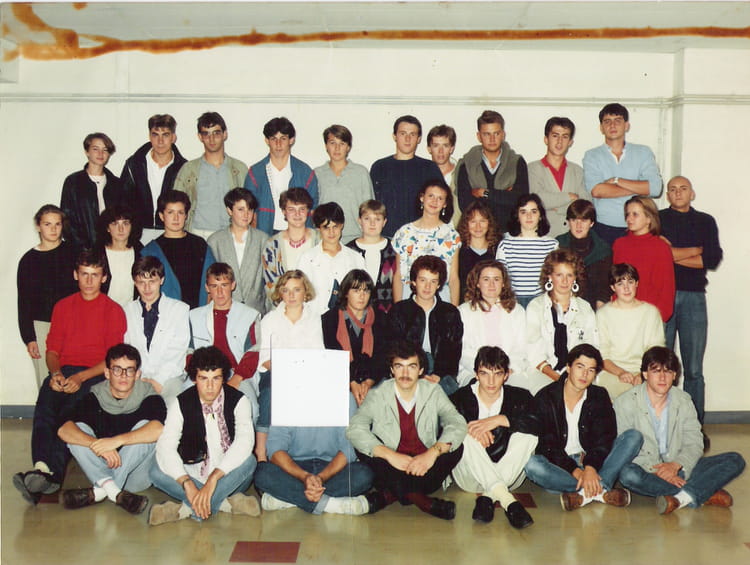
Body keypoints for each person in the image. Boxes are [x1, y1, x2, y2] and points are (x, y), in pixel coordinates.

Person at [13, 250, 126, 504]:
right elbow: (52, 350)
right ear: (76, 275)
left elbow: (112, 360)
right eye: (84, 274)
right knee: (45, 405)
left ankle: (50, 474)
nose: (89, 280)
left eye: (95, 275)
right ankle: (41, 467)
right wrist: (55, 373)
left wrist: (81, 378)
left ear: (104, 278)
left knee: (68, 412)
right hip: (64, 372)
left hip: (96, 376)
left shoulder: (113, 310)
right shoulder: (63, 306)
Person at [614, 347, 745, 515]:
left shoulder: (683, 400)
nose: (662, 377)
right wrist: (661, 471)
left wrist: (676, 465)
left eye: (668, 371)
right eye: (656, 371)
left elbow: (694, 441)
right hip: (647, 468)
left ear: (675, 375)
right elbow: (623, 448)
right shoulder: (624, 403)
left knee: (735, 459)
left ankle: (683, 497)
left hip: (680, 467)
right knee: (628, 475)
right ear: (645, 374)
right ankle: (701, 491)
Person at [347, 341, 467, 519]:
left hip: (424, 467)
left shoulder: (433, 391)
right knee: (364, 448)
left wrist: (432, 453)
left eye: (411, 367)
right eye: (399, 366)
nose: (405, 374)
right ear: (392, 370)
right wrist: (390, 455)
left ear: (421, 370)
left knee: (456, 447)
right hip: (391, 466)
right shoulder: (378, 394)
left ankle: (388, 495)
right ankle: (425, 503)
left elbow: (456, 422)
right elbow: (355, 428)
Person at [149, 346, 259, 525]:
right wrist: (187, 483)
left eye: (216, 378)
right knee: (155, 469)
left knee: (250, 461)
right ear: (194, 379)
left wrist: (214, 478)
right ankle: (224, 503)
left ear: (224, 378)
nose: (210, 386)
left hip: (227, 476)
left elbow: (244, 442)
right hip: (192, 472)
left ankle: (185, 509)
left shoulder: (240, 401)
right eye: (203, 378)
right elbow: (166, 446)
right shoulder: (181, 402)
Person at [524, 344, 641, 511]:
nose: (585, 374)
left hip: (594, 462)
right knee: (532, 465)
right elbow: (547, 445)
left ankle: (582, 494)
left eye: (591, 370)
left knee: (633, 437)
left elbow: (605, 438)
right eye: (580, 367)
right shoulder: (546, 396)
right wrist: (576, 471)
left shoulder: (599, 395)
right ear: (568, 367)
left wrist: (590, 468)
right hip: (561, 467)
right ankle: (601, 490)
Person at [57, 343, 166, 515]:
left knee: (145, 428)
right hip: (103, 466)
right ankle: (114, 492)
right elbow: (64, 430)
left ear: (137, 374)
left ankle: (100, 491)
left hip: (135, 478)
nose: (123, 376)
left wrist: (116, 442)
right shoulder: (95, 396)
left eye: (129, 370)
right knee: (78, 430)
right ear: (107, 373)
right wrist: (97, 444)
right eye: (117, 370)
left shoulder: (149, 395)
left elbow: (158, 430)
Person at [659, 175, 723, 434]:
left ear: (692, 194)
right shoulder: (658, 220)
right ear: (667, 195)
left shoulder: (705, 221)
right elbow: (660, 255)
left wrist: (673, 254)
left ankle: (694, 428)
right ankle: (664, 425)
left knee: (694, 368)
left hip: (694, 297)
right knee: (662, 366)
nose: (678, 193)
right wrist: (696, 250)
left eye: (683, 188)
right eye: (673, 189)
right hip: (663, 296)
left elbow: (712, 259)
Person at [450, 346, 539, 529]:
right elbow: (442, 430)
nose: (491, 381)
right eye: (484, 374)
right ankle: (507, 501)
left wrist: (500, 419)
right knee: (463, 434)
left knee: (529, 436)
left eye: (497, 374)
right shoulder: (459, 398)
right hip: (470, 477)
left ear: (506, 375)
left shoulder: (520, 396)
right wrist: (471, 430)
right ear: (476, 374)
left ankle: (488, 497)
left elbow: (540, 425)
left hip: (509, 475)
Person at [255, 270, 324, 462]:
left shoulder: (315, 319)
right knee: (269, 393)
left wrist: (300, 372)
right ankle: (261, 451)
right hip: (275, 371)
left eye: (297, 290)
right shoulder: (269, 319)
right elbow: (264, 357)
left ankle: (305, 452)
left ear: (305, 292)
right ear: (280, 293)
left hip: (306, 372)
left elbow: (318, 353)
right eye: (286, 290)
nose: (291, 295)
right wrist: (286, 371)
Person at [254, 414, 374, 515]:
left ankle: (290, 499)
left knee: (364, 473)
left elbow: (348, 449)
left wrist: (321, 477)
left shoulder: (344, 399)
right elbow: (275, 450)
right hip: (295, 469)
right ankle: (331, 504)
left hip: (332, 469)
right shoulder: (287, 400)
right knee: (263, 472)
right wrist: (304, 476)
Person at [583, 103, 662, 246]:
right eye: (607, 121)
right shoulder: (592, 155)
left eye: (618, 121)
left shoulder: (643, 152)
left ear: (626, 126)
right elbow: (597, 191)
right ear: (601, 128)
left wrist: (617, 180)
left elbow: (656, 188)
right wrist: (640, 188)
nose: (612, 125)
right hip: (603, 227)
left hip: (639, 226)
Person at [17, 204, 77, 388]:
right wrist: (29, 337)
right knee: (47, 381)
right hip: (42, 326)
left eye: (57, 224)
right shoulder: (28, 260)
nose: (53, 229)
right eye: (47, 224)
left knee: (72, 378)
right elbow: (24, 302)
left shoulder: (73, 253)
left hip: (71, 324)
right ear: (38, 226)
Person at [387, 255, 463, 396]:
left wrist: (438, 375)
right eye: (423, 280)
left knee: (450, 398)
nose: (428, 287)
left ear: (439, 285)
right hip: (407, 368)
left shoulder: (450, 313)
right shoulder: (399, 311)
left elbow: (453, 351)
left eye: (433, 281)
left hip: (440, 371)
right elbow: (393, 350)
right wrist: (417, 374)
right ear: (414, 282)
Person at [526, 248, 599, 393]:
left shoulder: (585, 308)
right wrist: (559, 379)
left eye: (569, 275)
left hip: (578, 374)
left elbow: (592, 346)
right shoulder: (536, 307)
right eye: (559, 275)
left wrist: (574, 376)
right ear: (549, 276)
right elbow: (533, 351)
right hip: (543, 373)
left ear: (575, 278)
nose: (565, 281)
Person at [189, 262, 261, 405]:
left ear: (233, 285)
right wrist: (196, 377)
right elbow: (189, 351)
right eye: (214, 286)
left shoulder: (249, 315)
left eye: (224, 285)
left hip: (238, 374)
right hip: (203, 374)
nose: (219, 292)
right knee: (186, 403)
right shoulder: (194, 316)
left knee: (249, 405)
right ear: (207, 288)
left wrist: (236, 378)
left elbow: (253, 352)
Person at [124, 256, 190, 403]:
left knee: (173, 405)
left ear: (162, 280)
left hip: (169, 378)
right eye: (141, 282)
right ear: (134, 282)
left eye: (152, 281)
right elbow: (127, 349)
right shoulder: (126, 311)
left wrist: (158, 380)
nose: (147, 288)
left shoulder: (180, 309)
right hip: (137, 377)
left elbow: (177, 351)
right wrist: (140, 378)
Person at [596, 263, 665, 400]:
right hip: (612, 372)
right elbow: (602, 356)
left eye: (630, 282)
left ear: (637, 283)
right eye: (620, 284)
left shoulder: (650, 312)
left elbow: (656, 352)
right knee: (630, 395)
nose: (626, 288)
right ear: (613, 287)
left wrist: (642, 374)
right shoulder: (603, 314)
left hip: (645, 371)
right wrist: (621, 373)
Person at [173, 112, 248, 237]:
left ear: (225, 134)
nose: (211, 139)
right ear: (200, 137)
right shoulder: (188, 170)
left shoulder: (240, 169)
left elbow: (249, 206)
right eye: (206, 134)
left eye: (216, 133)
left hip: (231, 234)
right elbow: (176, 204)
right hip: (198, 234)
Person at [321, 270, 388, 406]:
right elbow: (333, 356)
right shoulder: (330, 319)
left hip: (374, 379)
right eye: (356, 290)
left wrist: (368, 382)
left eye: (366, 291)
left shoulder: (381, 318)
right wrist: (352, 383)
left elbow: (383, 356)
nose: (362, 296)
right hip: (341, 379)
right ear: (346, 292)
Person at [458, 261, 528, 389]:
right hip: (474, 371)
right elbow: (462, 350)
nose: (491, 284)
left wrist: (506, 369)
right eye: (486, 279)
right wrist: (485, 370)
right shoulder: (463, 311)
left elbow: (521, 347)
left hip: (509, 372)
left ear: (503, 283)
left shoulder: (517, 311)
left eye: (496, 279)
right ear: (477, 283)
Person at [456, 110, 529, 232]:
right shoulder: (466, 164)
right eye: (486, 134)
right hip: (477, 233)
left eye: (496, 133)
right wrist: (504, 195)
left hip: (510, 232)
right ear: (479, 136)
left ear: (503, 134)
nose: (492, 139)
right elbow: (465, 204)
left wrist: (484, 193)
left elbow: (521, 201)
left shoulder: (516, 162)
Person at [370, 115, 442, 238]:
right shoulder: (380, 167)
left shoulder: (429, 168)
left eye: (412, 134)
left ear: (419, 139)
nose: (407, 139)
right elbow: (371, 206)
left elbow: (442, 202)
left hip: (421, 237)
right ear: (394, 136)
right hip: (387, 237)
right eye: (403, 133)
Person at [141, 190, 216, 308]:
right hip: (166, 313)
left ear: (186, 215)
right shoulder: (150, 251)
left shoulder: (199, 245)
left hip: (197, 311)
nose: (176, 218)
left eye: (180, 212)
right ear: (161, 216)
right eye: (170, 212)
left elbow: (213, 280)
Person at [392, 178, 461, 304]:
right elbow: (398, 275)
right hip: (409, 296)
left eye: (440, 198)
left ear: (445, 204)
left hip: (441, 297)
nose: (435, 201)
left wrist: (454, 309)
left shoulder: (452, 235)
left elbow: (453, 278)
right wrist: (398, 308)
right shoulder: (404, 232)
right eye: (431, 196)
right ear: (422, 198)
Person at [245, 116, 319, 235]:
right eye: (273, 138)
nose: (278, 144)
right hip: (265, 234)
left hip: (298, 234)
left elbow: (313, 208)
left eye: (283, 138)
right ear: (267, 140)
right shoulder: (255, 172)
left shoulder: (305, 172)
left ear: (291, 140)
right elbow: (248, 209)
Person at [119, 114, 187, 241]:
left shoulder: (184, 168)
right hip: (139, 233)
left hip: (172, 232)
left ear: (173, 137)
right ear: (150, 136)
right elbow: (123, 202)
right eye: (155, 135)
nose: (160, 141)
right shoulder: (133, 165)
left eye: (165, 135)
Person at [612, 195, 675, 322]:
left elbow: (666, 290)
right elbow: (614, 281)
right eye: (627, 214)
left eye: (635, 214)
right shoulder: (619, 244)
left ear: (648, 219)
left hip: (649, 319)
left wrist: (656, 319)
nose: (629, 218)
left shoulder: (661, 248)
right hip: (622, 316)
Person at [296, 201, 365, 315]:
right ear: (319, 229)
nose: (331, 232)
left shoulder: (356, 259)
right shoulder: (307, 259)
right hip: (315, 320)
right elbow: (300, 295)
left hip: (348, 320)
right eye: (326, 228)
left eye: (335, 227)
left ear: (342, 225)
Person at [207, 187, 268, 314]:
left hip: (255, 309)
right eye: (240, 209)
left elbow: (269, 281)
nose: (246, 215)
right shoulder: (215, 241)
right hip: (224, 308)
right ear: (229, 210)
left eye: (250, 209)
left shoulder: (263, 239)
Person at [61, 132, 123, 251]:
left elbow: (124, 217)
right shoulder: (73, 182)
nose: (100, 154)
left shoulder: (116, 184)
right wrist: (84, 248)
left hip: (112, 247)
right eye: (95, 149)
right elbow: (67, 220)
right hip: (82, 250)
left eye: (105, 150)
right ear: (87, 152)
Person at [528, 117, 588, 237]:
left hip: (572, 237)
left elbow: (585, 206)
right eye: (555, 136)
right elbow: (537, 200)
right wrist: (569, 197)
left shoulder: (577, 171)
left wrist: (557, 208)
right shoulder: (532, 169)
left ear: (570, 142)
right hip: (543, 236)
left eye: (565, 137)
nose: (559, 141)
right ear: (546, 139)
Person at [496, 193, 558, 307]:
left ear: (540, 215)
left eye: (533, 211)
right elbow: (500, 279)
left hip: (542, 303)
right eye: (523, 212)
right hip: (513, 303)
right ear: (517, 216)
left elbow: (554, 278)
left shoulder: (552, 245)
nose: (529, 216)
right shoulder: (505, 244)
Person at [314, 124, 374, 243]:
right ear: (326, 146)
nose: (337, 148)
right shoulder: (317, 174)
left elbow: (369, 209)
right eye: (332, 143)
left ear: (348, 147)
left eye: (342, 143)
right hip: (325, 238)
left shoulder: (360, 172)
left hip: (356, 237)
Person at [261, 188, 319, 301]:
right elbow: (271, 285)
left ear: (308, 210)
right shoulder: (272, 245)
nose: (297, 214)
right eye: (291, 209)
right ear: (284, 211)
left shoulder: (320, 240)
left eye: (302, 209)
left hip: (315, 305)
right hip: (282, 307)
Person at [555, 199, 612, 310]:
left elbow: (603, 289)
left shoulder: (603, 250)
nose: (578, 225)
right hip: (562, 304)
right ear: (568, 222)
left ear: (592, 223)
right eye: (574, 220)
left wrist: (598, 314)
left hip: (592, 307)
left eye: (584, 220)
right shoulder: (558, 245)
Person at [346, 199, 398, 314]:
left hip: (387, 313)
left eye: (377, 219)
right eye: (367, 219)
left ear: (384, 222)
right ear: (359, 221)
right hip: (357, 313)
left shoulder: (394, 250)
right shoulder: (349, 250)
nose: (372, 223)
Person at [94, 205, 143, 307]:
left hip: (131, 311)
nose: (121, 229)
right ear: (107, 228)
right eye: (115, 223)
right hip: (103, 310)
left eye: (126, 223)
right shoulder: (96, 253)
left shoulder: (141, 253)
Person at [456, 200, 501, 301]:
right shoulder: (459, 250)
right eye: (473, 221)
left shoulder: (498, 250)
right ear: (466, 224)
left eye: (482, 221)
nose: (478, 226)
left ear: (489, 223)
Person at [426, 124, 460, 224]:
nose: (440, 151)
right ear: (429, 148)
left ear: (452, 148)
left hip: (457, 230)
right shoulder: (422, 174)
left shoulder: (462, 174)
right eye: (436, 145)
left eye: (445, 145)